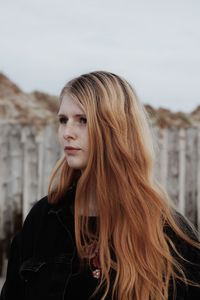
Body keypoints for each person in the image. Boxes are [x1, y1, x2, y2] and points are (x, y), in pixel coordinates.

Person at [1, 71, 200, 300]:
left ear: (116, 128)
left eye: (83, 120)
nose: (67, 133)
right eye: (63, 120)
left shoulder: (167, 232)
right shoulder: (43, 218)